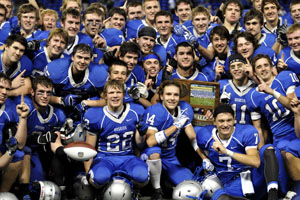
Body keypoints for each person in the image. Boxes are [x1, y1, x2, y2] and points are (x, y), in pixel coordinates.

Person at [196, 104, 281, 199]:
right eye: (221, 121)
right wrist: (204, 159)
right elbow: (198, 147)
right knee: (221, 198)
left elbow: (256, 162)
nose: (225, 125)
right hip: (230, 183)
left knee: (269, 149)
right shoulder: (205, 135)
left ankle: (273, 194)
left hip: (252, 176)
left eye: (229, 120)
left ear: (234, 120)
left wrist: (227, 152)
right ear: (214, 122)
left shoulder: (245, 132)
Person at [83, 79, 149, 192]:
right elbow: (89, 148)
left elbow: (140, 145)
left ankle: (132, 191)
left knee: (143, 177)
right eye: (111, 93)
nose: (115, 96)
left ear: (124, 94)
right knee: (99, 178)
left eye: (118, 92)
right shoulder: (95, 115)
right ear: (105, 96)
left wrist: (142, 134)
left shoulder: (136, 112)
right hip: (104, 158)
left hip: (128, 157)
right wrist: (88, 173)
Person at [142, 80, 201, 200]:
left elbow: (192, 136)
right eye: (168, 94)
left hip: (170, 157)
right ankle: (157, 190)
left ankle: (168, 182)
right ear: (162, 96)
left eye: (176, 95)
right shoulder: (155, 111)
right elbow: (150, 142)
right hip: (149, 154)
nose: (172, 98)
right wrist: (176, 126)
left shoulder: (184, 109)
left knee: (190, 185)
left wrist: (204, 158)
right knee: (154, 151)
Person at [0, 73, 30, 199]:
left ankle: (2, 193)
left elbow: (20, 144)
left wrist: (23, 118)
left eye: (7, 89)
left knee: (19, 154)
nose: (4, 92)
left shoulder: (11, 108)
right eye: (0, 87)